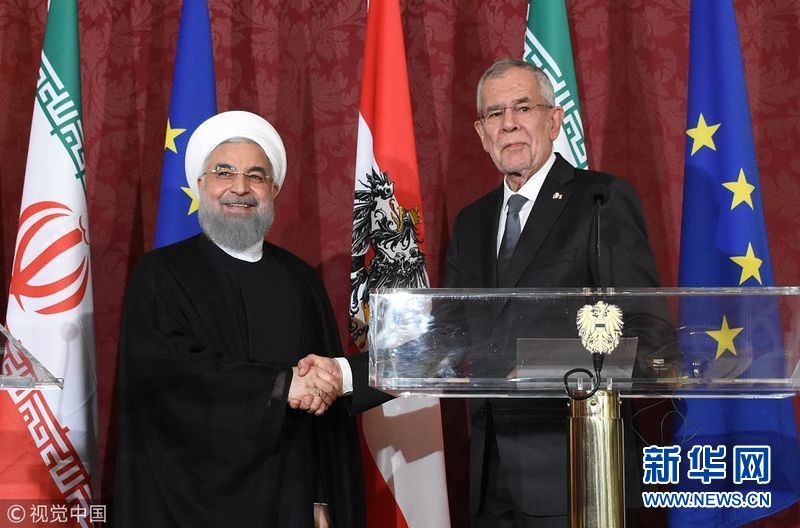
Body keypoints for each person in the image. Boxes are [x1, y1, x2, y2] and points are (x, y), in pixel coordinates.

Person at [113, 111, 366, 527]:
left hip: (287, 499)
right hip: (182, 500)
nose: (240, 188)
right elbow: (167, 379)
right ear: (200, 184)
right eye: (224, 172)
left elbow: (328, 412)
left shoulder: (301, 281)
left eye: (256, 176)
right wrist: (282, 384)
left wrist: (322, 496)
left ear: (274, 190)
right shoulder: (159, 274)